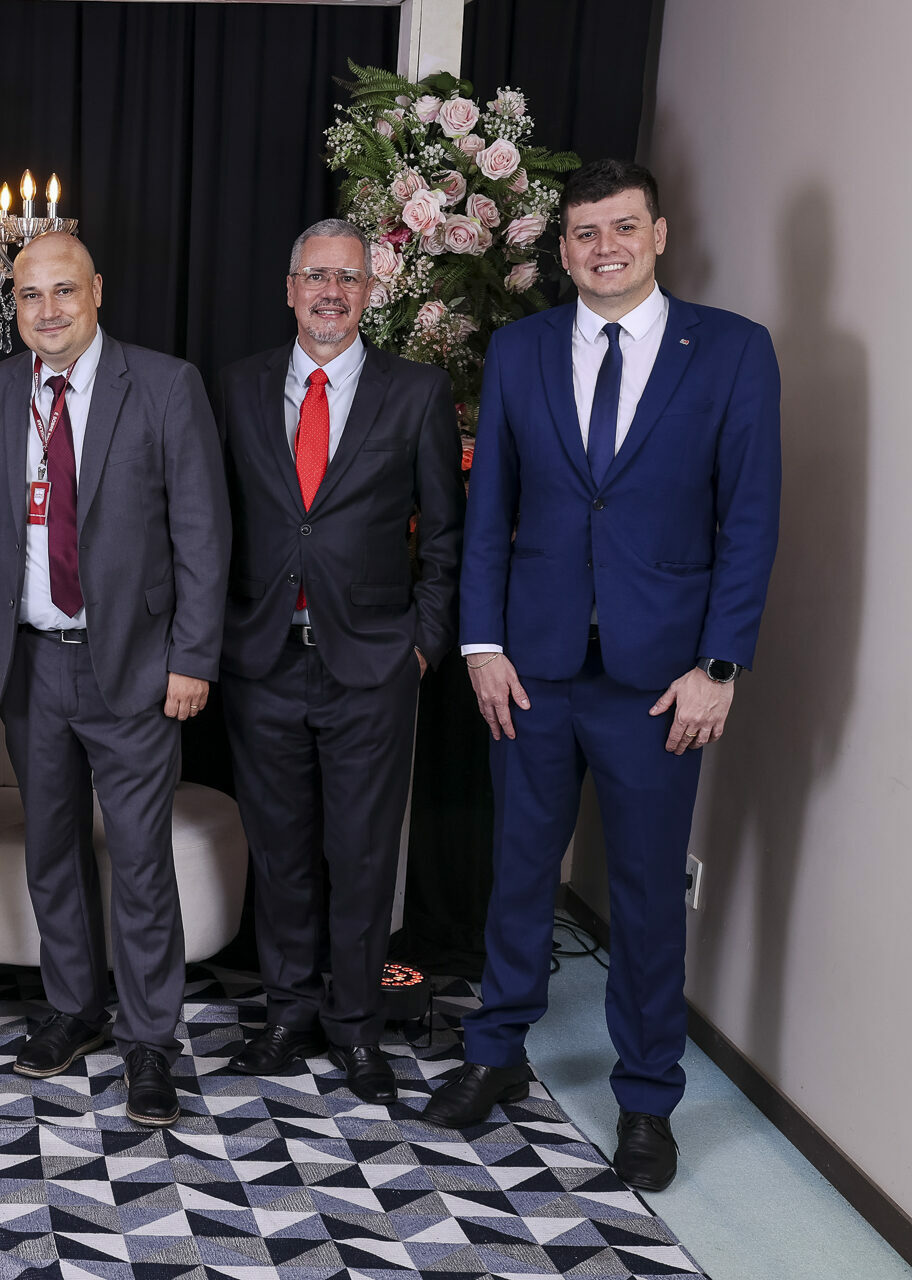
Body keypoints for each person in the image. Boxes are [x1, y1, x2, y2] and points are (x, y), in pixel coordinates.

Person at [423, 159, 782, 1191]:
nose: (605, 247)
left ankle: (648, 1099)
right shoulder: (522, 348)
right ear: (564, 248)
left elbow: (750, 518)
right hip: (530, 666)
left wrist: (720, 665)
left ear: (658, 235)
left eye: (624, 227)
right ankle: (496, 1051)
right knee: (517, 871)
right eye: (585, 232)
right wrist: (481, 646)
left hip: (662, 677)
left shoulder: (732, 350)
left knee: (646, 893)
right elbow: (489, 509)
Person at [0, 233, 228, 1127]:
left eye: (64, 292)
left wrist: (192, 658)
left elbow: (202, 533)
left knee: (143, 861)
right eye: (30, 295)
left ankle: (150, 1041)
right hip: (31, 664)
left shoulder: (164, 384)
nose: (47, 311)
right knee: (52, 851)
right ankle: (74, 1009)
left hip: (137, 668)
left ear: (98, 291)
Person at [214, 219, 463, 1104]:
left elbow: (446, 534)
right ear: (290, 290)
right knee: (279, 853)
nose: (331, 293)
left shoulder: (417, 392)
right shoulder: (237, 387)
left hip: (372, 666)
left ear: (369, 292)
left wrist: (422, 643)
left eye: (348, 279)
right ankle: (287, 1015)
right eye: (316, 277)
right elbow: (211, 521)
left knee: (361, 855)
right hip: (263, 659)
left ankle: (357, 1028)